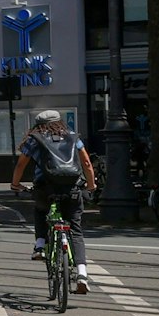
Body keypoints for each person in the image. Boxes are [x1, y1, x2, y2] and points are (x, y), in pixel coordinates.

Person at [11, 110, 94, 294]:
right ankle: (81, 274)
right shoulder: (73, 138)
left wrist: (16, 184)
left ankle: (40, 245)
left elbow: (20, 164)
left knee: (41, 210)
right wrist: (91, 184)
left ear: (38, 124)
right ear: (60, 122)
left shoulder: (35, 139)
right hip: (71, 188)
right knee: (75, 230)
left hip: (45, 188)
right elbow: (87, 163)